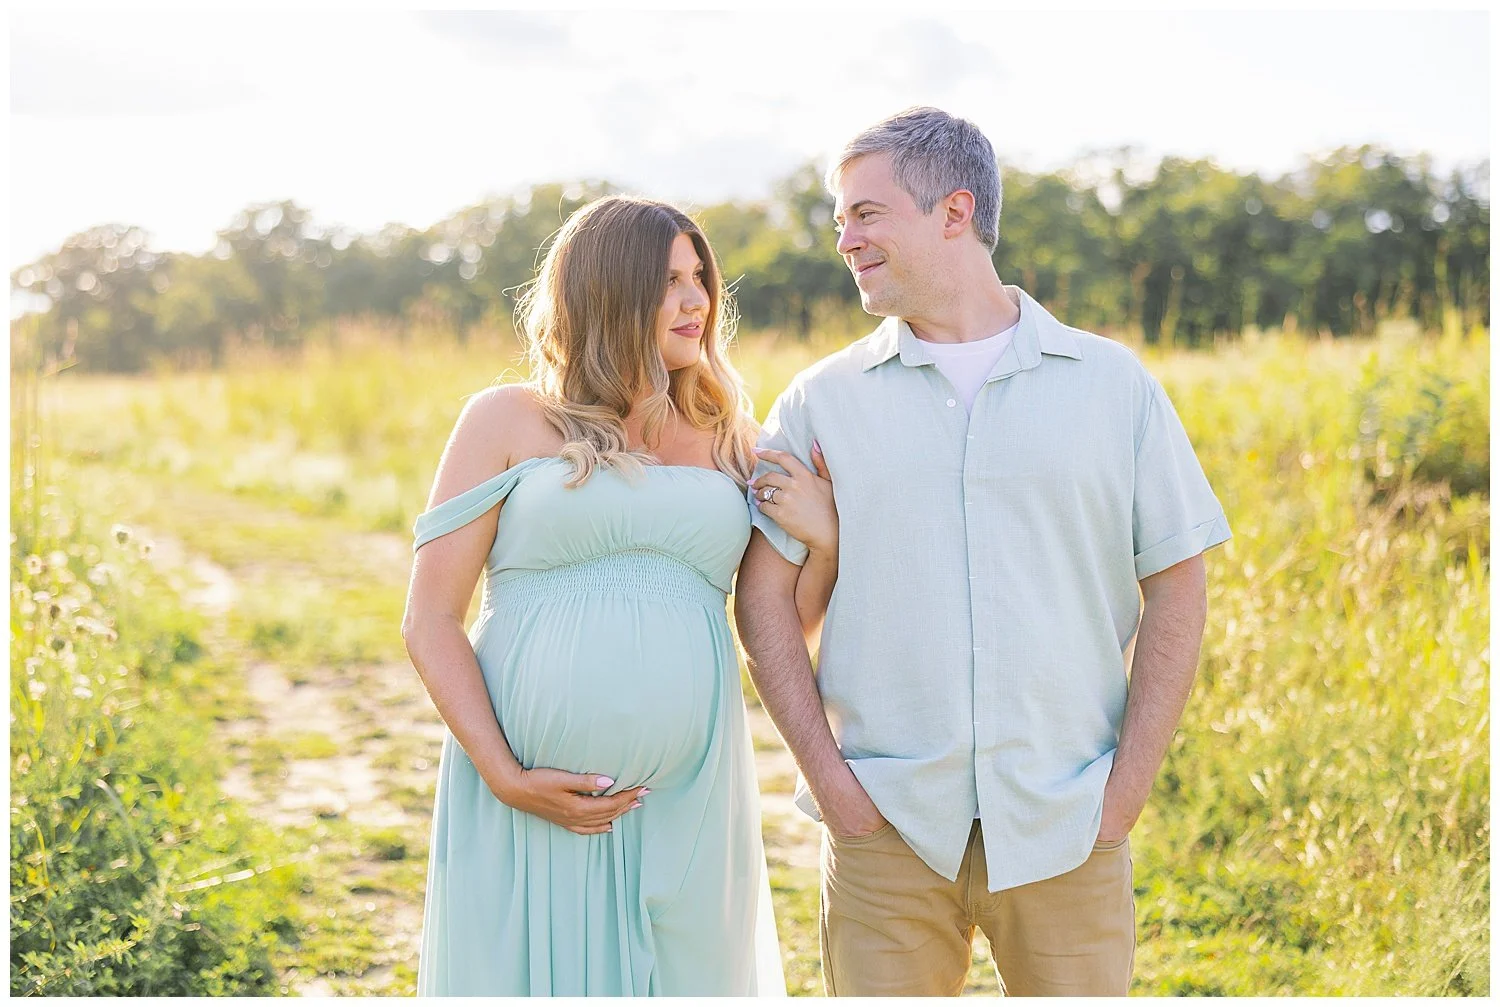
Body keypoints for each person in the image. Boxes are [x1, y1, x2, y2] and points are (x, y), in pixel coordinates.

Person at [735, 106, 1232, 996]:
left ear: (954, 211)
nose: (843, 238)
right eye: (840, 217)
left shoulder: (1113, 386)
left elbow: (1180, 584)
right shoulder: (820, 401)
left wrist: (1123, 796)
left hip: (1067, 824)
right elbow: (763, 598)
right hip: (884, 827)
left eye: (866, 213)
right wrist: (833, 786)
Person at [400, 195, 836, 995]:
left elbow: (778, 625)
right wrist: (502, 772)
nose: (697, 299)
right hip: (532, 793)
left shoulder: (732, 439)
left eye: (700, 275)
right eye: (669, 279)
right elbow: (429, 619)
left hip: (690, 794)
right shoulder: (507, 419)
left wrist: (827, 542)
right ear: (607, 290)